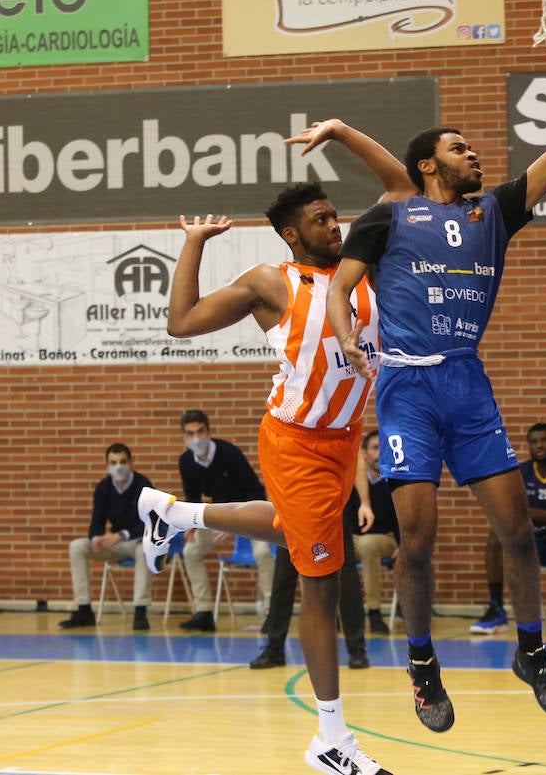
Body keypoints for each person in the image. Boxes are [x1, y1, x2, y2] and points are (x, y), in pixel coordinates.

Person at [323, 29, 546, 731]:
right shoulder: (388, 216)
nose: (473, 152)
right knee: (415, 541)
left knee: (515, 530)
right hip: (408, 389)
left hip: (468, 384)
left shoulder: (492, 212)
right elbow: (342, 287)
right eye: (458, 146)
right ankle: (422, 669)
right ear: (427, 164)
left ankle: (532, 653)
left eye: (473, 146)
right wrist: (349, 336)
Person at [141, 120, 415, 775]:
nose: (335, 224)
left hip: (344, 439)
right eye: (321, 219)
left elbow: (401, 185)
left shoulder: (365, 269)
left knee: (299, 531)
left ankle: (174, 513)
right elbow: (180, 323)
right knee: (323, 583)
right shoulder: (274, 281)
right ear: (294, 234)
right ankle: (329, 738)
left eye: (335, 214)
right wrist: (194, 244)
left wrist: (346, 132)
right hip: (294, 439)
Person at [472, 423, 546, 637]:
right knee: (496, 535)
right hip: (533, 542)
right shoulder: (522, 471)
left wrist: (529, 512)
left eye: (545, 440)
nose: (540, 446)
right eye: (534, 442)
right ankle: (496, 608)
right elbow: (507, 512)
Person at [173, 409, 274, 632]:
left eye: (200, 431)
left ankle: (271, 613)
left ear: (209, 432)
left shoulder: (230, 453)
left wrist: (238, 528)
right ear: (184, 437)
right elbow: (193, 497)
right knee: (191, 550)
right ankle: (204, 612)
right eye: (190, 434)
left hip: (250, 511)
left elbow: (256, 492)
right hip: (220, 514)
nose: (196, 438)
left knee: (263, 554)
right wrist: (191, 522)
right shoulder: (186, 461)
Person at [250, 500, 369, 671]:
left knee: (346, 575)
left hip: (331, 505)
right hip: (294, 509)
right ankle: (274, 648)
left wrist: (363, 501)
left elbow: (356, 472)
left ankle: (357, 649)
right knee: (283, 576)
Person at [58, 443, 155, 631]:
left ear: (131, 463)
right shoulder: (103, 487)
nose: (119, 466)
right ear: (107, 466)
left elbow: (151, 523)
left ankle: (140, 611)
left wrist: (122, 535)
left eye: (123, 462)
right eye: (114, 462)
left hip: (137, 540)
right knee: (77, 546)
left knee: (145, 549)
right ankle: (84, 609)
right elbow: (97, 521)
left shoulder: (144, 485)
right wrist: (95, 538)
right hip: (116, 545)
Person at [352, 430, 398, 636]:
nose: (380, 453)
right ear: (363, 453)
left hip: (385, 538)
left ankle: (374, 611)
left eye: (383, 448)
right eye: (375, 448)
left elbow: (402, 519)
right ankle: (335, 610)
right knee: (327, 548)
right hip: (354, 538)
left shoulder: (393, 480)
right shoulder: (352, 479)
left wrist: (404, 544)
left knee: (369, 545)